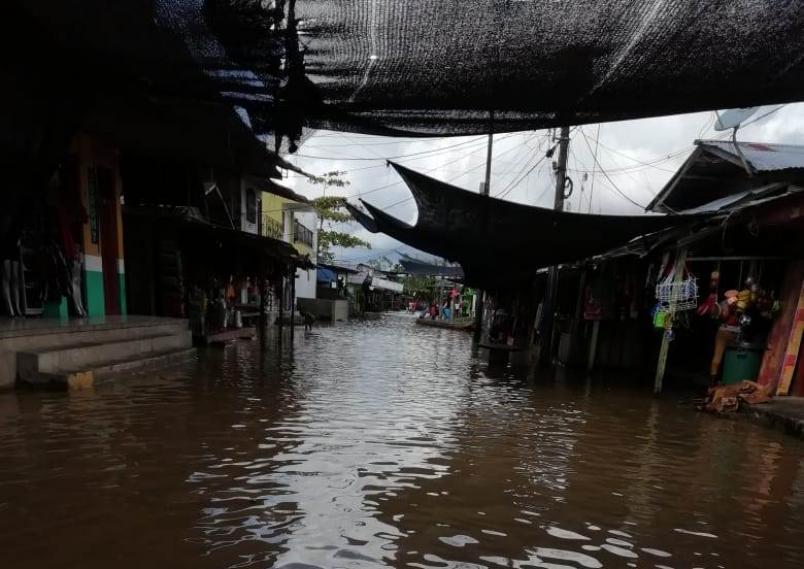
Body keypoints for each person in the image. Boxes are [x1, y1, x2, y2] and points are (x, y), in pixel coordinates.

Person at [1, 215, 23, 317]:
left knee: (14, 278)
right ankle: (11, 308)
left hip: (13, 247)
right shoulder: (6, 220)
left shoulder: (15, 221)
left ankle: (16, 307)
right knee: (8, 277)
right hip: (5, 246)